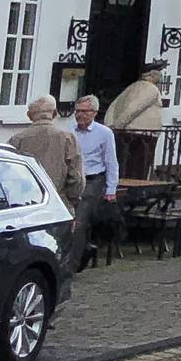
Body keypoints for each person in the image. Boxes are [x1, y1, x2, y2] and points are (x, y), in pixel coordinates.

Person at [11, 97, 86, 211]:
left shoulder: (17, 140)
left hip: (25, 205)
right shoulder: (67, 139)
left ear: (29, 115)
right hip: (58, 205)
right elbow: (76, 177)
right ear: (55, 113)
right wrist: (72, 200)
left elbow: (8, 175)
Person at [71, 95, 120, 265]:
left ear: (94, 112)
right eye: (77, 111)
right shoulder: (69, 130)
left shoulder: (104, 133)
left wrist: (111, 189)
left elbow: (111, 161)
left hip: (93, 180)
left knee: (79, 221)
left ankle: (72, 265)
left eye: (84, 111)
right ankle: (82, 251)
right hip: (72, 180)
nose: (79, 115)